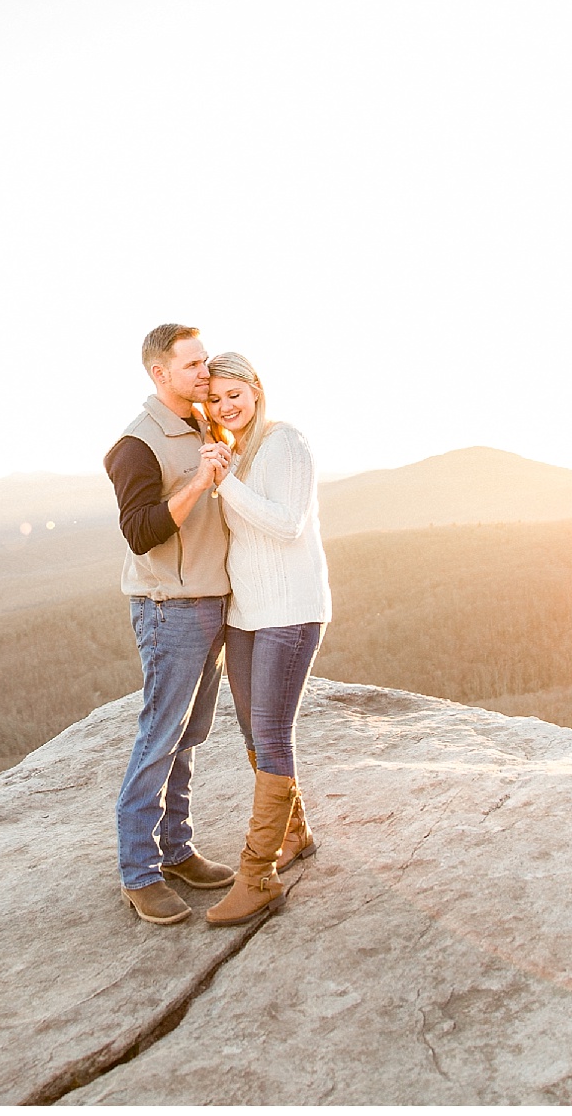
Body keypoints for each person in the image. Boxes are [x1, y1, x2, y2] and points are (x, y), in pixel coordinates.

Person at [102, 324, 239, 925]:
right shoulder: (136, 446)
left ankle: (177, 850)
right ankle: (139, 871)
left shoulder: (202, 424)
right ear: (160, 374)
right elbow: (141, 532)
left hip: (213, 602)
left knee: (189, 737)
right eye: (193, 365)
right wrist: (197, 482)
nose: (204, 373)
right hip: (170, 609)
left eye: (206, 361)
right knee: (160, 736)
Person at [198, 351, 333, 927]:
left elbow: (286, 524)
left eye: (236, 393)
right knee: (254, 730)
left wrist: (225, 481)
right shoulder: (238, 447)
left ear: (256, 388)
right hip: (246, 614)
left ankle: (257, 876)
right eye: (217, 398)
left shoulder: (285, 442)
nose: (228, 405)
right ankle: (295, 832)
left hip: (290, 611)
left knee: (274, 733)